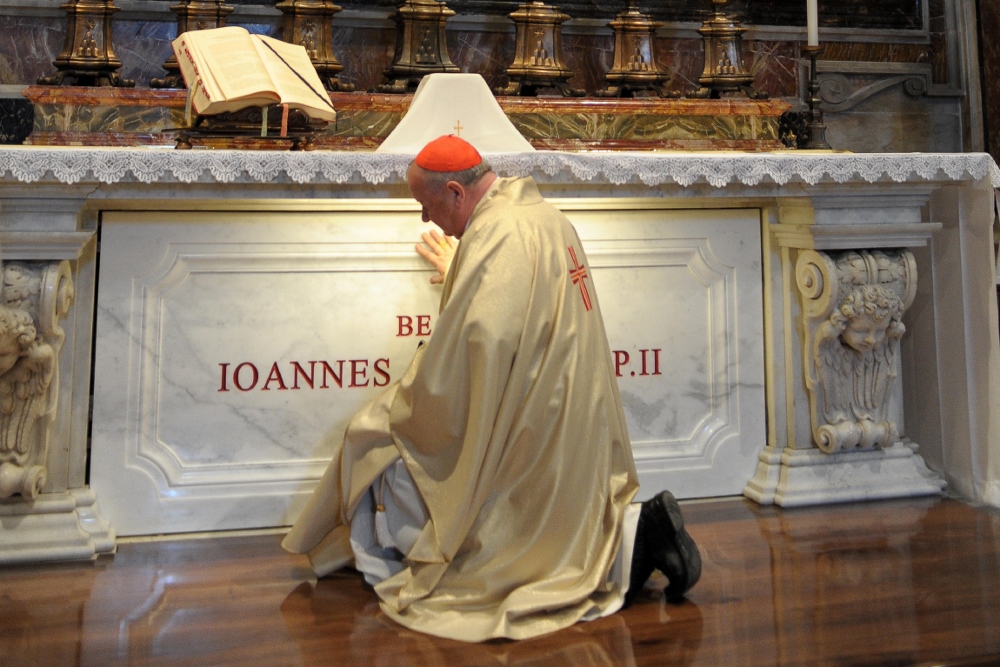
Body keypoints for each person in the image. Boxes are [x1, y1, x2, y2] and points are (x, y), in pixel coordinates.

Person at [282, 135, 700, 642]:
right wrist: (457, 268)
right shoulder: (546, 218)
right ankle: (641, 533)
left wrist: (411, 398)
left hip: (531, 429)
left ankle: (638, 545)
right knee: (559, 520)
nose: (424, 220)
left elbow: (478, 348)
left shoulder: (496, 236)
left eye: (425, 205)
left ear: (456, 192)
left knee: (380, 441)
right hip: (577, 424)